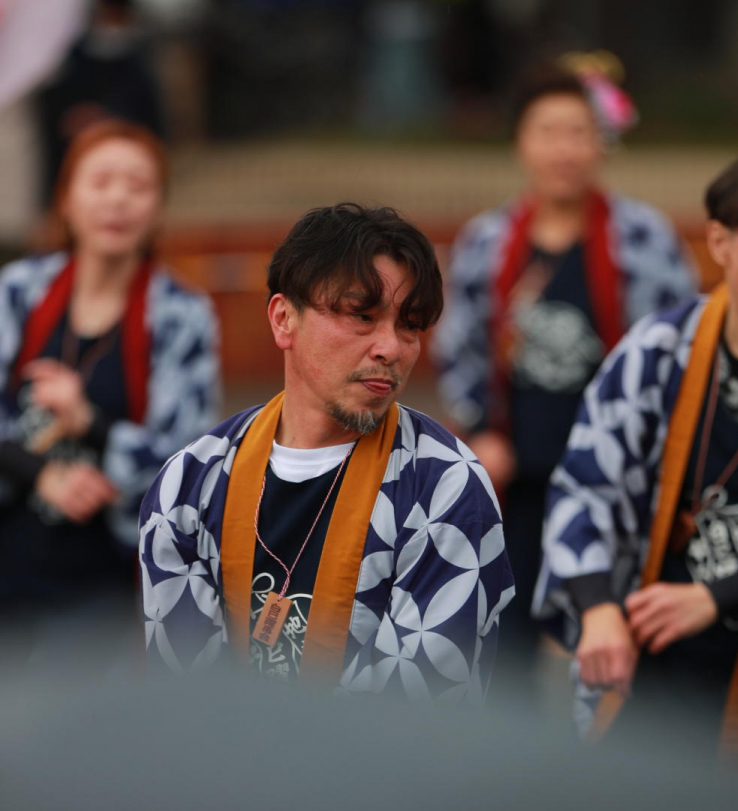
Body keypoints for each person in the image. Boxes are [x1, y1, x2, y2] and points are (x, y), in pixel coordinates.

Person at [140, 202, 513, 699]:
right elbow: (182, 701)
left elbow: (420, 723)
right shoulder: (190, 484)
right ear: (283, 319)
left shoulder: (446, 486)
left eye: (411, 325)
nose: (392, 348)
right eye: (362, 315)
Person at [535, 146, 738, 799]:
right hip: (651, 653)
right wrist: (597, 610)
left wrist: (717, 596)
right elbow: (582, 487)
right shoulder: (660, 350)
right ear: (721, 241)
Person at [433, 57, 696, 677]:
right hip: (516, 480)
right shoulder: (486, 241)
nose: (564, 149)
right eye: (547, 132)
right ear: (522, 142)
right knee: (504, 651)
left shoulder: (646, 239)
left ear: (601, 143)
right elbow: (457, 347)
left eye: (579, 132)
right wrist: (480, 431)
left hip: (620, 483)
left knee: (624, 651)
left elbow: (685, 353)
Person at [0, 119, 220, 666]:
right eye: (100, 182)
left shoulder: (182, 316)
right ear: (67, 200)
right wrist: (43, 473)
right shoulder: (18, 291)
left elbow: (191, 467)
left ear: (157, 208)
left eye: (138, 186)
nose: (118, 199)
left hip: (112, 580)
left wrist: (89, 424)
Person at [34, 0, 166, 208]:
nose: (116, 199)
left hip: (127, 135)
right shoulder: (74, 52)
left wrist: (109, 118)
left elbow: (148, 109)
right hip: (70, 147)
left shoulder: (143, 55)